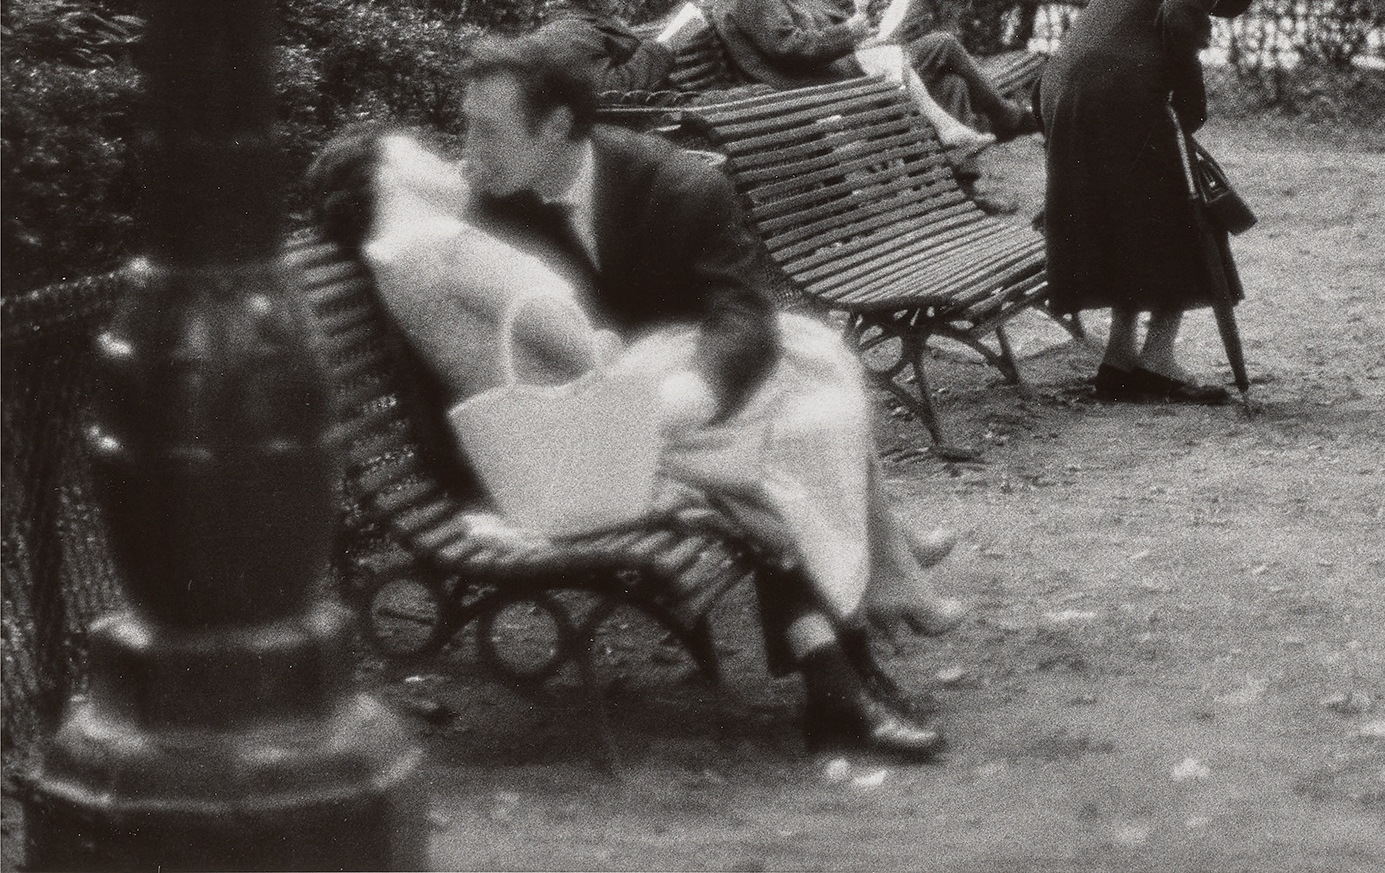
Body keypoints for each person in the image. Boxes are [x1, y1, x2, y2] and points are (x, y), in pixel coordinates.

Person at [307, 42, 961, 761]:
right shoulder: (465, 219)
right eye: (455, 134)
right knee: (789, 421)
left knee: (793, 377)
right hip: (546, 450)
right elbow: (527, 344)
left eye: (484, 130)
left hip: (599, 415)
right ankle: (856, 649)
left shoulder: (673, 186)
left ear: (556, 126)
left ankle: (850, 663)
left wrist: (684, 391)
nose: (462, 154)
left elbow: (737, 315)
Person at [1038, 0, 1258, 404]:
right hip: (1121, 95)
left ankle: (1118, 361)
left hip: (1062, 93)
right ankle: (1157, 360)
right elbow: (1180, 15)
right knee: (1180, 215)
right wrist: (1191, 98)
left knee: (1126, 220)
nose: (1215, 12)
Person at [708, 0, 1035, 144]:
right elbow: (790, 46)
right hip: (816, 83)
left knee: (949, 81)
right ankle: (1003, 117)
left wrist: (860, 32)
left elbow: (798, 37)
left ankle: (960, 188)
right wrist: (850, 34)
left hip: (828, 71)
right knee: (943, 46)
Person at [531, 0, 697, 96]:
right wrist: (662, 48)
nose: (622, 2)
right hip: (643, 121)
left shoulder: (587, 22)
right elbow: (611, 90)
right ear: (595, 0)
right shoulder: (570, 33)